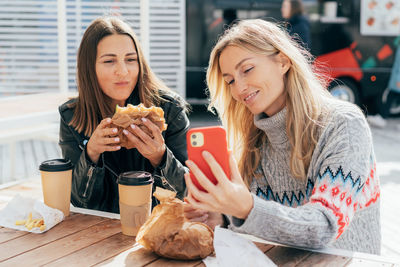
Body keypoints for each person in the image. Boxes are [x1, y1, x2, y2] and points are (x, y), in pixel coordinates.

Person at [184, 19, 381, 254]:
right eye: (230, 81)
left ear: (283, 62)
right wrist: (224, 220)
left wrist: (246, 207)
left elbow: (324, 226)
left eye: (247, 70)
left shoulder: (343, 125)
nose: (239, 88)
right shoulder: (254, 141)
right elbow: (268, 227)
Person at [59, 16, 190, 213]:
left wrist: (160, 157)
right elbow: (81, 204)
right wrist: (91, 154)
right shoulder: (72, 117)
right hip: (95, 234)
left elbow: (188, 193)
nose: (123, 71)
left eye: (130, 60)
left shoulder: (169, 110)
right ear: (89, 68)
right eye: (109, 61)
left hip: (158, 230)